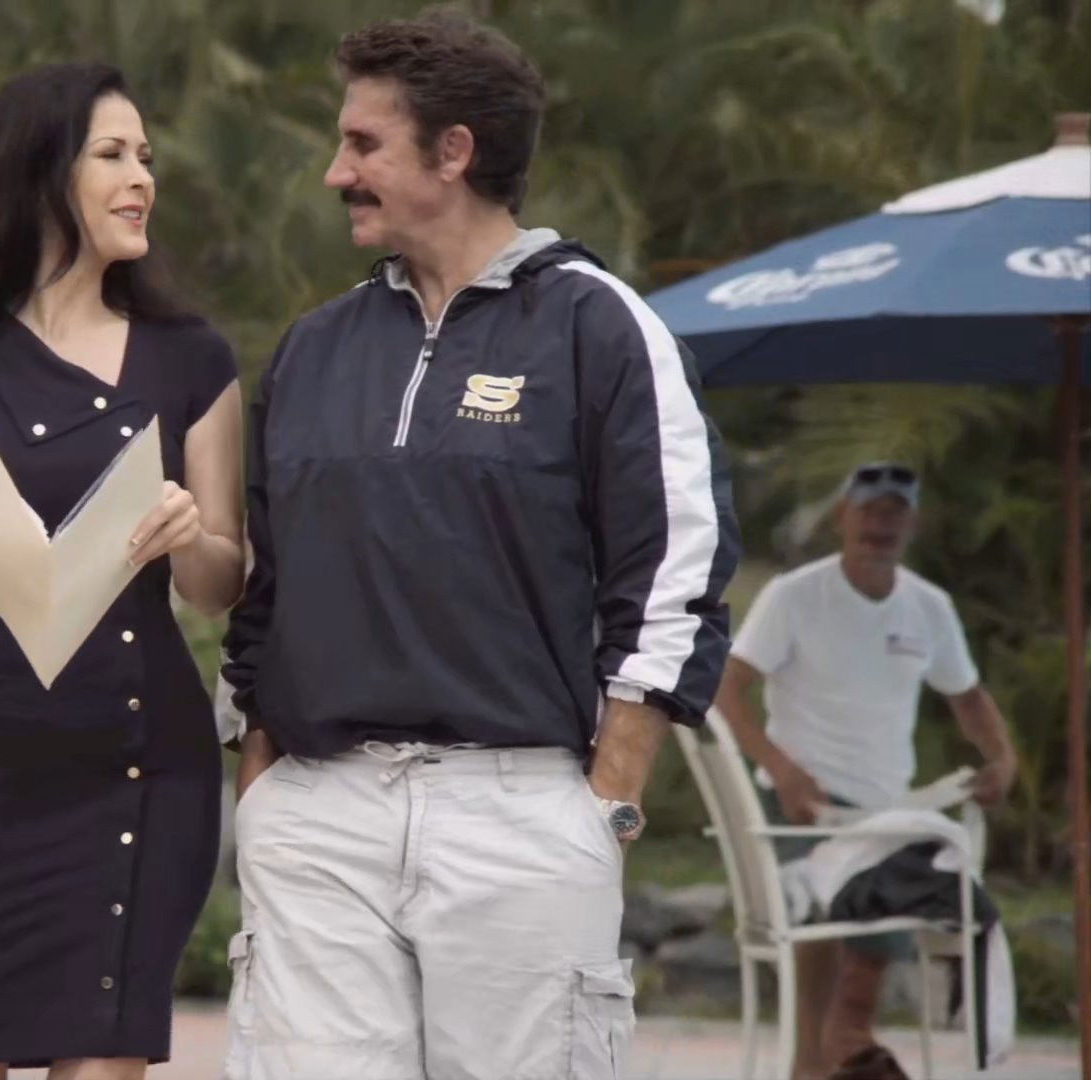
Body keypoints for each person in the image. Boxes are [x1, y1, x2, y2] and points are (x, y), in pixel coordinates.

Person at [217, 10, 739, 1079]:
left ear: (452, 151)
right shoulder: (314, 349)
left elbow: (674, 571)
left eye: (363, 144)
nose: (336, 173)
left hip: (520, 814)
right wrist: (262, 783)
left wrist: (606, 802)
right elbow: (265, 584)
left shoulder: (600, 328)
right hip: (318, 816)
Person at [0, 63, 244, 1079]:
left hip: (137, 764)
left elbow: (219, 585)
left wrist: (189, 535)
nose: (142, 178)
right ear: (37, 174)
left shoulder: (192, 358)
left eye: (146, 157)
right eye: (113, 155)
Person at [714, 462, 1017, 1080]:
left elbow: (968, 698)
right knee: (834, 904)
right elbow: (726, 689)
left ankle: (844, 1047)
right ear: (841, 518)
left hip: (887, 815)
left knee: (919, 871)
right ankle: (832, 1055)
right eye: (869, 510)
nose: (880, 524)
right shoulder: (794, 596)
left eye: (894, 513)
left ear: (913, 524)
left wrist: (1003, 759)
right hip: (801, 808)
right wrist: (783, 770)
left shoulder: (928, 606)